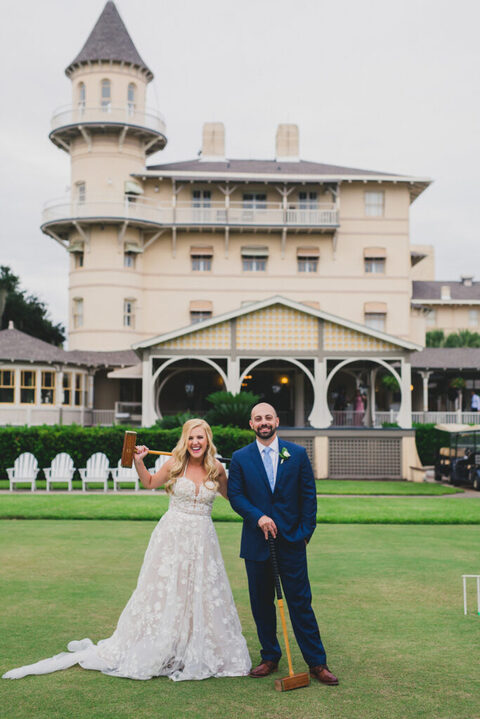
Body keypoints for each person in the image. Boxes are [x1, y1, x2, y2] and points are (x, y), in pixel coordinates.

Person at [3, 419, 251, 681]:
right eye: (191, 438)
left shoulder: (217, 469)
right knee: (168, 591)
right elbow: (150, 482)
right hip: (172, 537)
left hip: (203, 540)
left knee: (201, 592)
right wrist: (139, 461)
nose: (195, 442)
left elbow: (234, 498)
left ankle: (194, 646)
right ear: (185, 441)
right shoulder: (176, 464)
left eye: (200, 437)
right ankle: (165, 647)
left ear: (208, 440)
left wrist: (257, 512)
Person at [227, 402, 339, 686]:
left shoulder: (297, 454)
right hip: (256, 542)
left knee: (301, 603)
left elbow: (309, 498)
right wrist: (259, 517)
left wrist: (303, 534)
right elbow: (237, 497)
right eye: (257, 418)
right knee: (261, 604)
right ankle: (269, 657)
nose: (263, 422)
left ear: (276, 420)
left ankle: (317, 663)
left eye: (268, 417)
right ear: (251, 424)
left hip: (291, 542)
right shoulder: (240, 457)